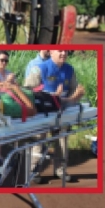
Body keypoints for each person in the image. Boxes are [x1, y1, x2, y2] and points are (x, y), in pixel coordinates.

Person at [24, 50, 86, 182]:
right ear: (51, 52)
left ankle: (60, 170)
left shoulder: (70, 70)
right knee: (38, 142)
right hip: (42, 112)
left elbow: (74, 90)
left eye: (65, 51)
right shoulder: (39, 68)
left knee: (62, 141)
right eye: (60, 51)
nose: (63, 53)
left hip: (61, 112)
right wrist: (51, 97)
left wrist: (76, 95)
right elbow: (27, 90)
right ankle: (33, 172)